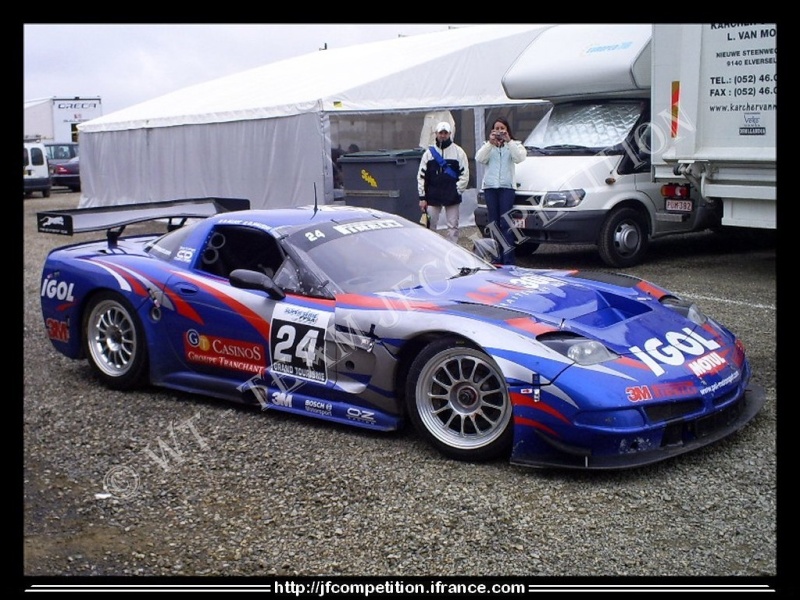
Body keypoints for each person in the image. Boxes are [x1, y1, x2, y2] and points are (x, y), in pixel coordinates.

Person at [475, 117, 527, 264]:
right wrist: (490, 144)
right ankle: (495, 258)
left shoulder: (514, 145)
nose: (499, 131)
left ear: (507, 129)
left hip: (506, 188)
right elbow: (479, 158)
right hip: (491, 188)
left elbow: (519, 158)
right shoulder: (487, 146)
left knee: (506, 223)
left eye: (502, 128)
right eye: (496, 129)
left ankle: (509, 259)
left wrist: (509, 141)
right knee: (494, 223)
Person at [417, 121, 469, 244]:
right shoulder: (428, 154)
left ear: (450, 134)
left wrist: (457, 190)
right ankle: (432, 249)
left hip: (452, 196)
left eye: (445, 133)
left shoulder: (458, 152)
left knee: (453, 228)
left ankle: (452, 252)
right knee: (430, 227)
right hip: (432, 196)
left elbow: (465, 174)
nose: (443, 135)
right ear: (436, 133)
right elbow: (421, 176)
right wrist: (422, 197)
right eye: (441, 132)